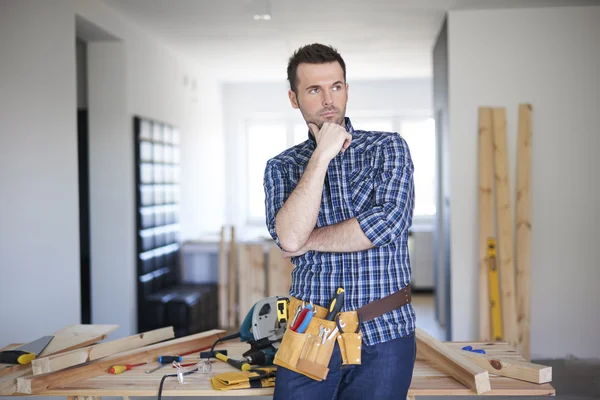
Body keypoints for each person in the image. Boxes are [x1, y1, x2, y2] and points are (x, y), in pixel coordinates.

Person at [263, 43, 416, 400]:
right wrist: (321, 156)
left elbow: (385, 225)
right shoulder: (282, 166)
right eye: (314, 89)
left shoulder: (388, 148)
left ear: (347, 89)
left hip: (385, 329)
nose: (328, 99)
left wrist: (305, 240)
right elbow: (287, 236)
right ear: (294, 98)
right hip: (307, 330)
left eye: (336, 86)